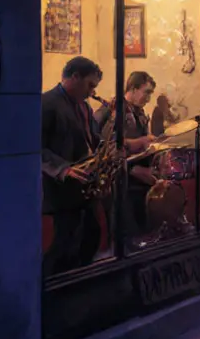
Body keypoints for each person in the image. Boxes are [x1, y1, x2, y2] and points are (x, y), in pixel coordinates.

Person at [41, 57, 106, 276]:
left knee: (90, 237)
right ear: (75, 77)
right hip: (61, 189)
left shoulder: (84, 108)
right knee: (64, 247)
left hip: (83, 188)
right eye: (90, 85)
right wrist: (64, 169)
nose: (91, 92)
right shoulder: (47, 103)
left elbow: (93, 139)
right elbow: (34, 147)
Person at [93, 71, 158, 238]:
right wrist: (135, 166)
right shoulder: (114, 109)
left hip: (135, 182)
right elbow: (106, 145)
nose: (149, 99)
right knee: (124, 235)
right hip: (119, 181)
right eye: (147, 92)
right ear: (134, 89)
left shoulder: (140, 112)